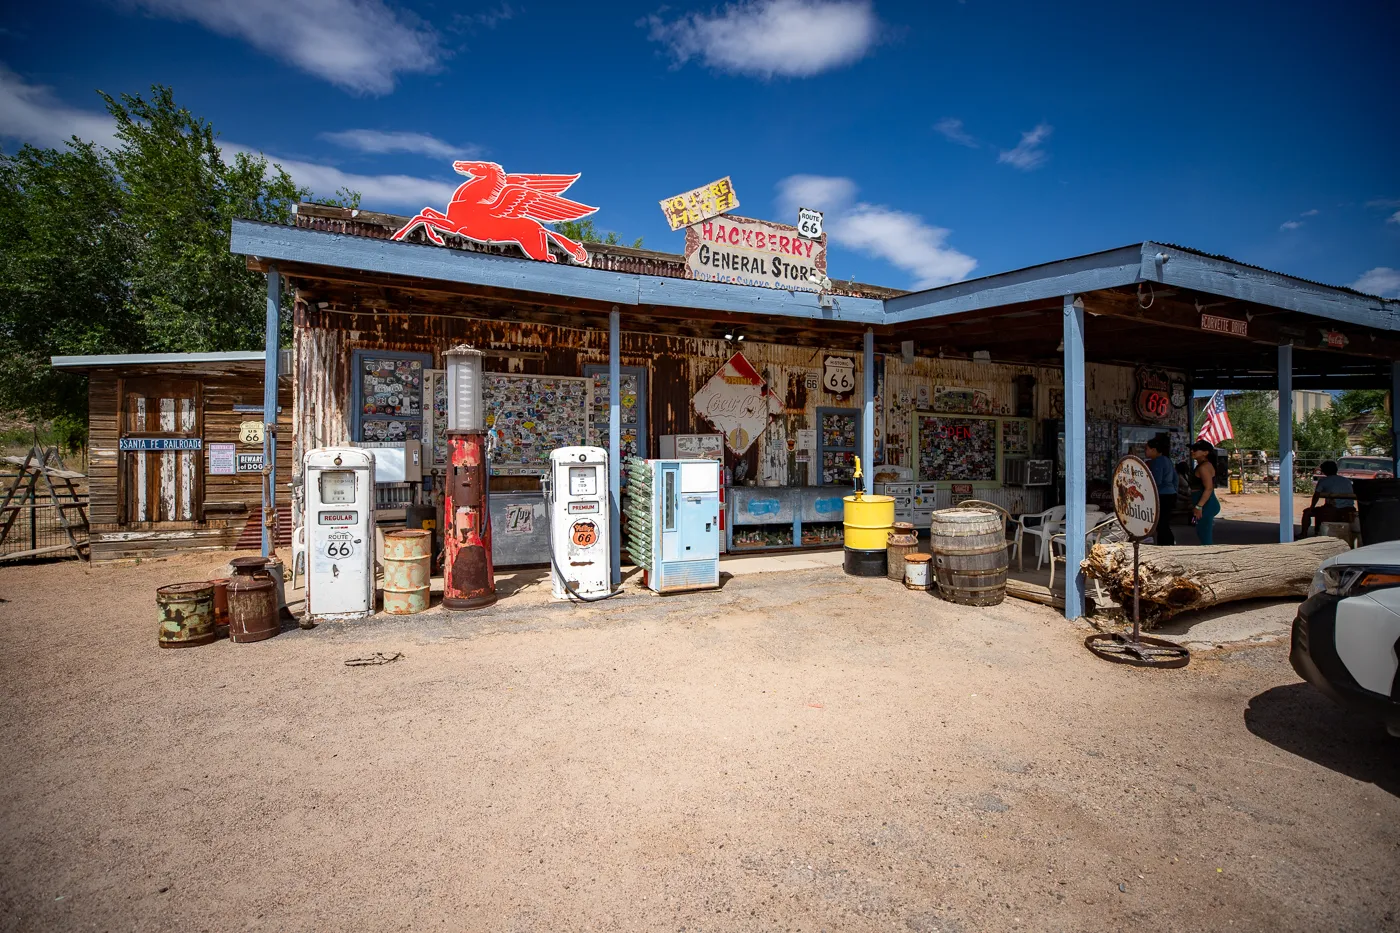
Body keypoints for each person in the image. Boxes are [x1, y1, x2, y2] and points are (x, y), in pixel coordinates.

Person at [1300, 460, 1356, 537]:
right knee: (1323, 509)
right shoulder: (1346, 480)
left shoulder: (1323, 481)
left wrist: (1312, 507)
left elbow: (1316, 495)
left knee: (1307, 512)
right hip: (1349, 508)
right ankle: (1317, 531)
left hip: (1333, 509)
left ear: (1325, 471)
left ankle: (1304, 534)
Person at [1144, 435, 1177, 545]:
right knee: (1164, 522)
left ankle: (1166, 544)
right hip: (1170, 493)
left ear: (1154, 450)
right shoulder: (1167, 460)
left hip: (1162, 495)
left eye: (1147, 449)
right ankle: (1169, 542)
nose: (1146, 451)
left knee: (1161, 523)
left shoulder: (1157, 462)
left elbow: (1155, 481)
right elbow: (1175, 479)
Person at [1189, 440, 1221, 545]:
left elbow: (1209, 488)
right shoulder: (1202, 465)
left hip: (1206, 504)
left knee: (1204, 535)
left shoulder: (1204, 467)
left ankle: (1210, 558)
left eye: (1196, 450)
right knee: (1201, 531)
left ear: (1205, 452)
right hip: (1203, 503)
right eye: (1192, 449)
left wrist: (1199, 506)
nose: (1192, 451)